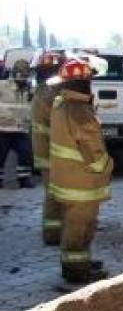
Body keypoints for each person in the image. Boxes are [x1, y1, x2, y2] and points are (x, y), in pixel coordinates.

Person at [49, 59, 113, 283]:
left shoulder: (61, 103)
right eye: (88, 80)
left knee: (77, 224)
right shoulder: (79, 111)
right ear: (83, 83)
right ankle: (76, 271)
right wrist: (107, 167)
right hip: (82, 182)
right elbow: (93, 150)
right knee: (80, 226)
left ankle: (81, 261)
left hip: (67, 178)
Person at [32, 51, 65, 244]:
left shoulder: (41, 90)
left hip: (45, 151)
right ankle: (54, 234)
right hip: (55, 152)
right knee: (56, 194)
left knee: (52, 193)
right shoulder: (53, 92)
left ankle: (52, 232)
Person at [0, 61, 34, 189]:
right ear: (14, 73)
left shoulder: (28, 89)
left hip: (21, 129)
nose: (23, 78)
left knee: (26, 155)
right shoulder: (3, 86)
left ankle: (24, 179)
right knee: (0, 157)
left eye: (25, 75)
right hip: (3, 128)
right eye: (21, 75)